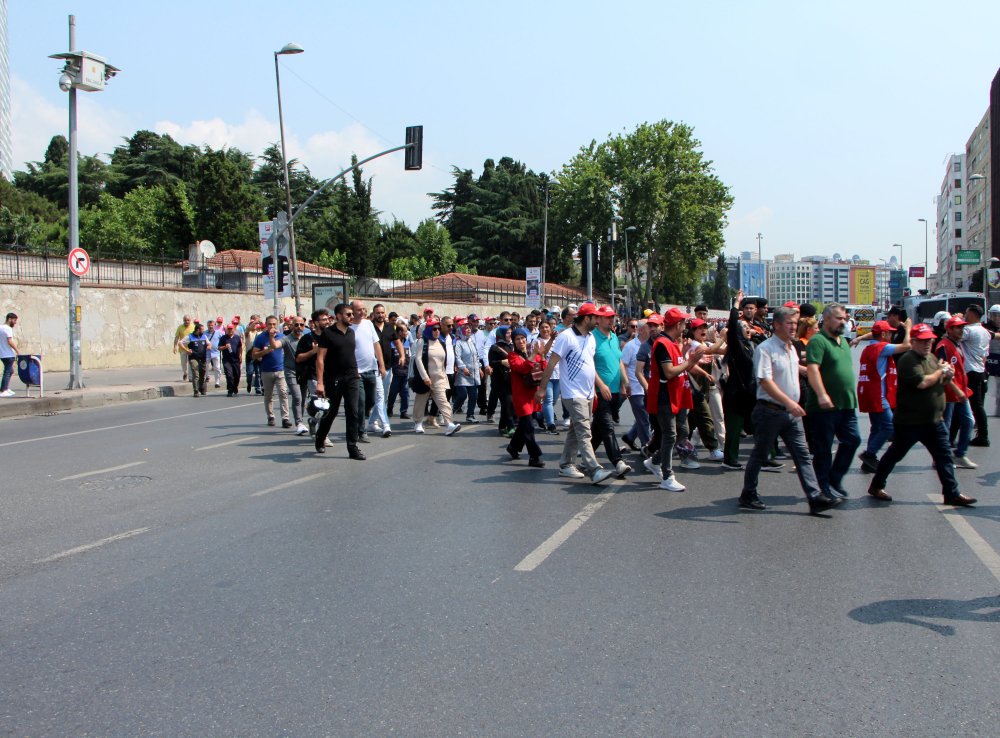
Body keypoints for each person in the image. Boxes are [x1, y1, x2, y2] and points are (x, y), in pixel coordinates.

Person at [737, 305, 840, 514]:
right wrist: (790, 402)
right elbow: (765, 381)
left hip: (791, 414)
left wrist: (818, 376)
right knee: (760, 454)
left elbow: (798, 369)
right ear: (776, 325)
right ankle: (748, 493)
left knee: (802, 454)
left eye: (795, 323)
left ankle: (814, 496)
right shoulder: (765, 349)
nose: (794, 327)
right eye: (789, 323)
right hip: (769, 411)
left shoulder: (791, 348)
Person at [867, 323, 976, 506]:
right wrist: (941, 371)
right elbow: (922, 383)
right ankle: (876, 485)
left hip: (934, 420)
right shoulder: (908, 360)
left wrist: (955, 388)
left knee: (944, 457)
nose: (927, 344)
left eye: (930, 340)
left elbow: (942, 378)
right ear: (914, 341)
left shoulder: (931, 358)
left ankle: (952, 493)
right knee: (894, 455)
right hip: (911, 421)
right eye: (923, 341)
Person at [533, 303, 613, 485]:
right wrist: (542, 388)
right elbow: (551, 363)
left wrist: (596, 389)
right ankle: (594, 469)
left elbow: (589, 366)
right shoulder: (566, 337)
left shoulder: (591, 338)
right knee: (585, 432)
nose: (599, 320)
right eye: (596, 317)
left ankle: (566, 464)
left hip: (587, 393)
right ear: (587, 318)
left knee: (575, 430)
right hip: (572, 394)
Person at [805, 303, 861, 499]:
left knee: (853, 440)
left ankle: (834, 478)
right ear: (827, 319)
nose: (843, 322)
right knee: (823, 450)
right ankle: (823, 488)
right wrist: (821, 394)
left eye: (845, 319)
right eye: (839, 318)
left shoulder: (843, 341)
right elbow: (812, 369)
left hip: (846, 405)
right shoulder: (818, 341)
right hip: (823, 407)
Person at [644, 307, 704, 491]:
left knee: (673, 434)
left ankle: (655, 462)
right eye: (684, 323)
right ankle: (667, 475)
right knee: (670, 435)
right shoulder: (663, 344)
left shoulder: (671, 343)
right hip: (664, 396)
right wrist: (690, 361)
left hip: (673, 395)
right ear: (678, 324)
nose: (685, 326)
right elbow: (669, 372)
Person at [856, 319, 911, 473]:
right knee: (889, 427)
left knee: (877, 427)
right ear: (884, 334)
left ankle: (868, 462)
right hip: (878, 394)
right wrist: (908, 329)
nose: (892, 336)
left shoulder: (869, 347)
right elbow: (907, 346)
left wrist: (860, 338)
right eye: (891, 333)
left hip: (869, 392)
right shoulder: (882, 347)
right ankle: (869, 454)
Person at [314, 303, 365, 460]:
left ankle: (352, 447)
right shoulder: (328, 334)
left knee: (353, 412)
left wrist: (357, 373)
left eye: (352, 314)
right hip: (334, 379)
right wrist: (320, 382)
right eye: (348, 314)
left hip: (352, 378)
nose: (352, 317)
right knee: (331, 413)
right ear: (338, 316)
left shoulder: (351, 332)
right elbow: (320, 358)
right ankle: (320, 437)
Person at [721, 291, 760, 471]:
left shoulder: (750, 344)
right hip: (736, 393)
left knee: (759, 425)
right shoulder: (736, 346)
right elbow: (733, 321)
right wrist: (737, 303)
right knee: (735, 429)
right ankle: (730, 458)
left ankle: (766, 457)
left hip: (749, 393)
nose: (748, 329)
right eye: (744, 327)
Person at [591, 305, 632, 477]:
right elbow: (588, 365)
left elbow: (619, 361)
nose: (611, 320)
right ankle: (618, 462)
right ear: (598, 319)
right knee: (608, 427)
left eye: (612, 317)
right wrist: (598, 386)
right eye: (607, 317)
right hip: (600, 391)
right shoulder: (592, 338)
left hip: (615, 391)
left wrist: (625, 382)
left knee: (599, 429)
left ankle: (587, 456)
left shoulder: (614, 337)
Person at [936, 315, 977, 468]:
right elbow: (943, 370)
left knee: (969, 421)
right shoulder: (943, 346)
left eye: (962, 327)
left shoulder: (957, 344)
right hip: (949, 392)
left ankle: (960, 454)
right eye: (958, 327)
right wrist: (955, 389)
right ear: (950, 329)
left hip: (961, 391)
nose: (961, 330)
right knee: (945, 426)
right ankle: (941, 457)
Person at [503, 327, 546, 468]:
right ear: (514, 342)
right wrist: (534, 355)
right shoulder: (512, 356)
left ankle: (513, 447)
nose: (521, 341)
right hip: (521, 396)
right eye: (517, 339)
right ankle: (535, 456)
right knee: (528, 427)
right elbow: (522, 368)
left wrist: (542, 355)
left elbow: (543, 367)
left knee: (524, 425)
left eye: (522, 338)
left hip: (532, 394)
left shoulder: (531, 352)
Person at [410, 320, 462, 436]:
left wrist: (444, 377)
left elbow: (443, 362)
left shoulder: (441, 343)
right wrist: (425, 377)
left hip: (439, 378)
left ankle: (449, 424)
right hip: (426, 378)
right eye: (434, 329)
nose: (437, 331)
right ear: (429, 330)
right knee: (421, 400)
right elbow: (418, 360)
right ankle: (418, 423)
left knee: (443, 401)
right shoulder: (422, 342)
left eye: (438, 329)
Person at [350, 300, 390, 441]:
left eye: (364, 309)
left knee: (371, 400)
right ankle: (361, 431)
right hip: (357, 372)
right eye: (359, 309)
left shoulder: (368, 324)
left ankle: (363, 421)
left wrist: (381, 365)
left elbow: (376, 345)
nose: (362, 312)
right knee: (360, 402)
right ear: (352, 311)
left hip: (372, 369)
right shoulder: (348, 327)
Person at [251, 315, 291, 428]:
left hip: (280, 370)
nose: (272, 326)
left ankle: (285, 418)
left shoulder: (282, 336)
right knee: (268, 396)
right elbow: (254, 355)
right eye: (270, 324)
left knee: (283, 393)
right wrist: (265, 351)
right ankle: (271, 416)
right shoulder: (260, 338)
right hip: (266, 371)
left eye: (274, 324)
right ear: (266, 325)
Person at [960, 303, 991, 446]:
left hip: (970, 371)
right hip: (980, 370)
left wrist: (957, 321)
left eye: (967, 313)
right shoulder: (985, 331)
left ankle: (979, 436)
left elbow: (953, 335)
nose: (965, 315)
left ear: (973, 314)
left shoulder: (968, 330)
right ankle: (982, 434)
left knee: (970, 405)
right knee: (978, 406)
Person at [621, 320, 651, 452]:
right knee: (644, 417)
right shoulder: (630, 346)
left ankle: (630, 436)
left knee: (646, 416)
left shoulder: (652, 344)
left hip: (648, 387)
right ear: (641, 330)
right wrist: (625, 385)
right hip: (635, 388)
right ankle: (647, 447)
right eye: (649, 327)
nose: (652, 330)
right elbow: (623, 366)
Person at [792, 315, 818, 451]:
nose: (818, 330)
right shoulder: (797, 343)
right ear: (808, 330)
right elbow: (793, 362)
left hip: (814, 383)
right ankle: (810, 445)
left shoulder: (817, 343)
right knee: (806, 416)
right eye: (816, 328)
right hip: (801, 383)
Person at [281, 317, 309, 435]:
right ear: (292, 326)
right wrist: (272, 339)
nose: (299, 327)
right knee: (297, 396)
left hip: (304, 372)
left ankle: (301, 421)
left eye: (301, 325)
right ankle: (299, 423)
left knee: (302, 398)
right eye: (296, 325)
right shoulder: (286, 339)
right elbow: (277, 344)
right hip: (291, 371)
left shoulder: (306, 338)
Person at [489, 324, 516, 436]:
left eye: (510, 332)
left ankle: (502, 426)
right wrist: (501, 362)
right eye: (507, 333)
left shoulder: (512, 346)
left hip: (510, 379)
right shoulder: (495, 348)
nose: (509, 335)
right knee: (507, 403)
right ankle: (510, 426)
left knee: (508, 404)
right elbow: (491, 363)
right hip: (499, 380)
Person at [452, 318, 482, 423]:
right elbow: (457, 357)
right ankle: (453, 409)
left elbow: (476, 356)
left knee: (474, 396)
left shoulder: (471, 341)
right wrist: (463, 367)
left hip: (473, 374)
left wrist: (479, 367)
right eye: (466, 328)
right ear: (460, 329)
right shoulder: (458, 343)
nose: (469, 330)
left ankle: (470, 415)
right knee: (462, 395)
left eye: (469, 328)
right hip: (463, 373)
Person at [386, 322, 412, 420]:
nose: (407, 333)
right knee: (393, 393)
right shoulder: (392, 343)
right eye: (405, 331)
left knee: (405, 393)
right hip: (394, 373)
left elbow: (409, 356)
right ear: (400, 332)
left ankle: (403, 412)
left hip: (405, 372)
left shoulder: (407, 342)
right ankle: (389, 409)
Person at [178, 321, 209, 396]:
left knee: (203, 373)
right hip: (194, 358)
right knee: (196, 374)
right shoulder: (190, 337)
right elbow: (180, 343)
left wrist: (208, 347)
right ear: (197, 330)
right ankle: (196, 391)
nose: (203, 331)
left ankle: (201, 388)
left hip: (203, 358)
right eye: (202, 330)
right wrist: (187, 350)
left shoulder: (204, 336)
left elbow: (209, 344)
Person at [218, 322, 243, 396]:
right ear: (226, 330)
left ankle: (235, 387)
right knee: (229, 375)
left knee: (237, 375)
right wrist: (225, 347)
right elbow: (219, 348)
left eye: (231, 329)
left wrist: (240, 355)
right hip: (227, 360)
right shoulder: (223, 338)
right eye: (228, 329)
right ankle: (230, 390)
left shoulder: (237, 337)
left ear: (233, 329)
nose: (230, 330)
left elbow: (240, 347)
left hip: (236, 359)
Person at [987, 304, 1000, 417]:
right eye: (994, 315)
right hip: (987, 358)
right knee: (983, 386)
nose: (996, 318)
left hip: (999, 359)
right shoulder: (985, 326)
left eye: (998, 316)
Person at [0, 312, 17, 397]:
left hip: (2, 354)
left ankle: (6, 388)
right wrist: (18, 351)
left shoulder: (0, 327)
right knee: (7, 372)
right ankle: (3, 390)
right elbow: (10, 341)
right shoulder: (8, 329)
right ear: (9, 319)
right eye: (14, 320)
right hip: (8, 354)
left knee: (10, 371)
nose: (15, 322)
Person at [173, 315, 194, 381]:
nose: (186, 322)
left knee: (191, 362)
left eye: (188, 320)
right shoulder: (180, 327)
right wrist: (175, 346)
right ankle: (185, 373)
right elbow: (177, 337)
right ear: (183, 320)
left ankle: (190, 377)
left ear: (190, 321)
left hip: (191, 348)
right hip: (182, 348)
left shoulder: (193, 327)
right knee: (183, 363)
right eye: (185, 320)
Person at [204, 318, 223, 389]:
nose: (210, 327)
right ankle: (206, 377)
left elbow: (223, 341)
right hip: (207, 353)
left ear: (214, 325)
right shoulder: (204, 333)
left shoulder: (219, 333)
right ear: (207, 326)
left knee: (217, 368)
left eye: (212, 325)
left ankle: (217, 382)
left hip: (216, 353)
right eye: (209, 325)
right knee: (205, 367)